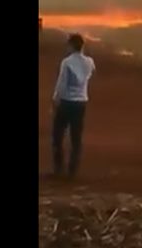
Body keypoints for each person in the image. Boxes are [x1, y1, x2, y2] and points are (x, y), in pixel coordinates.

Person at [51, 33, 95, 178]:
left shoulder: (67, 62)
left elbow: (62, 83)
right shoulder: (89, 62)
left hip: (66, 102)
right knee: (76, 137)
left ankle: (59, 168)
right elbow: (90, 73)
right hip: (81, 102)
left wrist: (56, 99)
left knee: (57, 135)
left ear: (71, 45)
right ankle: (72, 170)